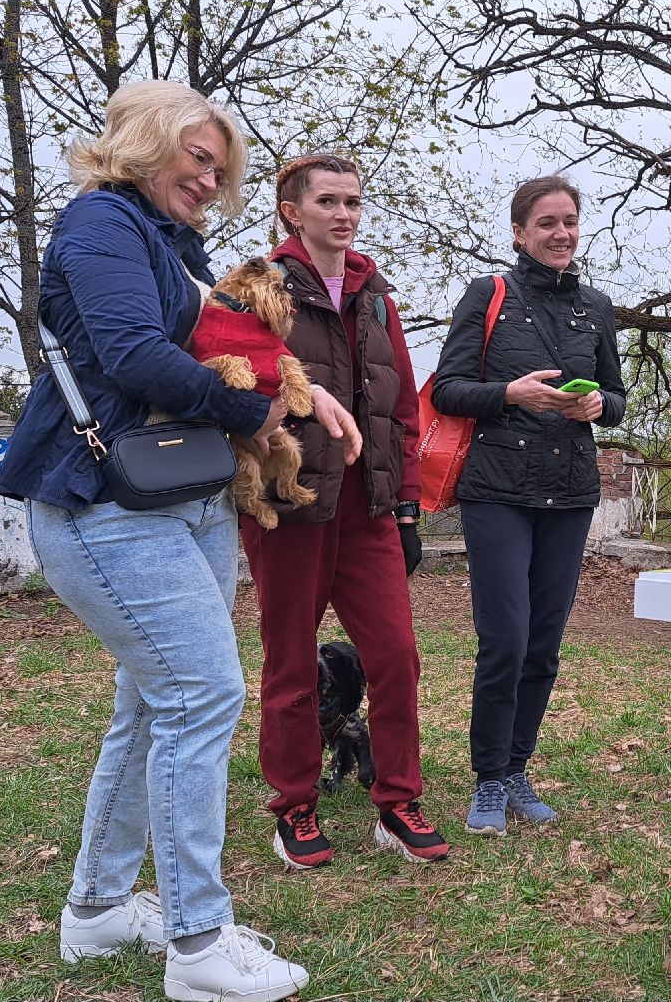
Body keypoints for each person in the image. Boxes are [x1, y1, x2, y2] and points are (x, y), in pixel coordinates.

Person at [0, 81, 358, 1002]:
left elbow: (226, 340)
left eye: (220, 167)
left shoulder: (171, 241)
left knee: (153, 707)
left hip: (183, 496)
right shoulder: (102, 224)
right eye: (198, 158)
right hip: (102, 501)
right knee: (203, 694)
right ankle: (198, 945)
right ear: (147, 142)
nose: (209, 178)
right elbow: (133, 356)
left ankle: (99, 910)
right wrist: (258, 410)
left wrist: (305, 394)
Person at [241, 154, 449, 869]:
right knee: (291, 663)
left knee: (396, 657)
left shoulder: (376, 296)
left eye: (353, 201)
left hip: (370, 509)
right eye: (328, 201)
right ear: (291, 211)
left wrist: (410, 506)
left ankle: (397, 802)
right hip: (291, 504)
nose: (345, 214)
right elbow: (237, 382)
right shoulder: (258, 290)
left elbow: (401, 409)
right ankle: (294, 805)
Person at [431, 175, 626, 836]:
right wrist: (510, 394)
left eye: (569, 220)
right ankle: (488, 777)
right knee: (506, 640)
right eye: (546, 222)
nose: (561, 233)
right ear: (520, 232)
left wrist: (600, 405)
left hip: (569, 493)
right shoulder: (488, 296)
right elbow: (450, 390)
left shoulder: (596, 307)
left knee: (543, 643)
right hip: (497, 493)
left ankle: (517, 767)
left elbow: (616, 398)